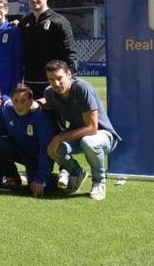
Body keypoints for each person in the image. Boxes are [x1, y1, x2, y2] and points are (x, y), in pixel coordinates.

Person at [43, 60, 120, 201]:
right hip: (79, 135)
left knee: (88, 141)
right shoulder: (50, 93)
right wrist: (34, 103)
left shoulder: (81, 88)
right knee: (53, 148)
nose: (56, 84)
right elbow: (47, 101)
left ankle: (99, 181)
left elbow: (92, 127)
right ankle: (77, 173)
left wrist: (59, 137)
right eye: (51, 80)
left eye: (59, 78)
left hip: (102, 135)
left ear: (69, 74)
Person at [0, 84, 57, 197]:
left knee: (39, 191)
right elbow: (1, 97)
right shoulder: (7, 108)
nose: (19, 105)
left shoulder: (40, 118)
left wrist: (40, 179)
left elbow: (45, 149)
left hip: (36, 156)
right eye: (16, 101)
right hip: (20, 151)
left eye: (23, 101)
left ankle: (51, 178)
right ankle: (12, 178)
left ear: (31, 101)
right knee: (0, 143)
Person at [21, 0, 77, 100]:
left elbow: (69, 52)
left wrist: (70, 78)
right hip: (29, 82)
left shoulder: (59, 21)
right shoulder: (24, 22)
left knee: (51, 117)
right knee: (31, 116)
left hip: (52, 82)